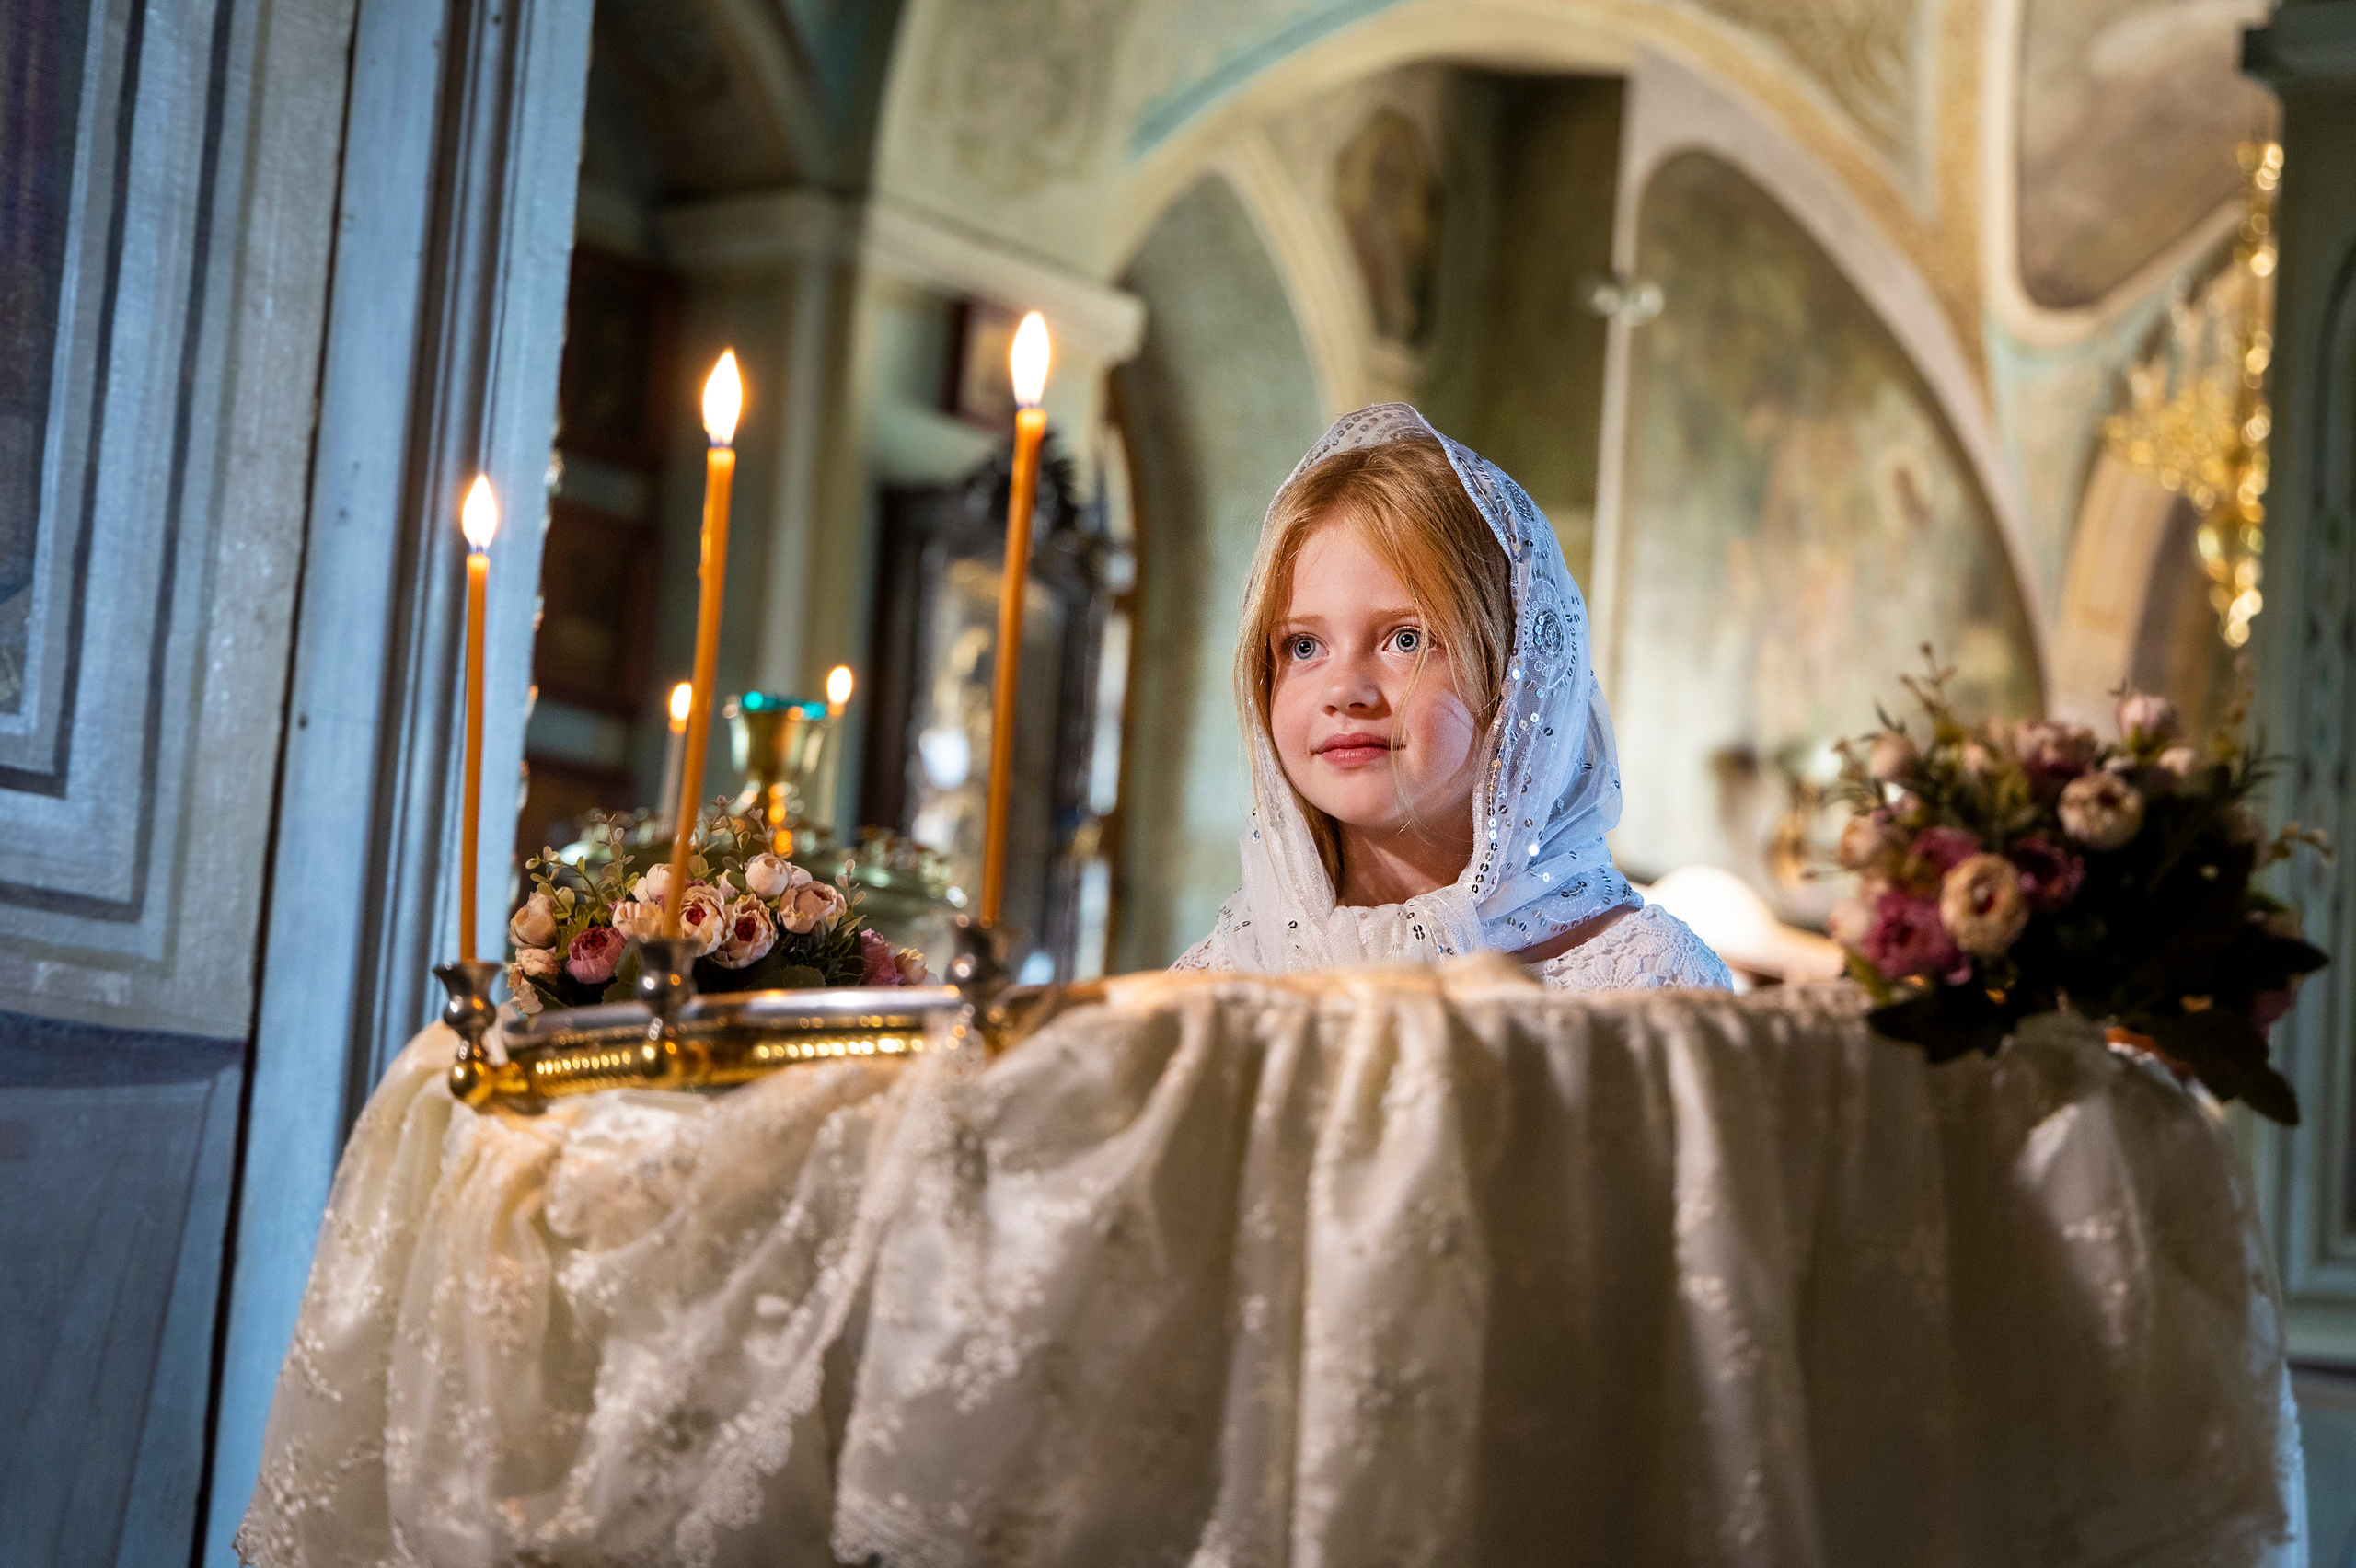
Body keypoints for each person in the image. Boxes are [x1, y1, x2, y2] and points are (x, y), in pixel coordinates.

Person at [1173, 404, 1731, 992]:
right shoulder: (1213, 984)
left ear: (1517, 674)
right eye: (1304, 646)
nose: (1343, 692)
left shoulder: (1647, 980)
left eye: (1406, 640)